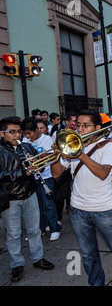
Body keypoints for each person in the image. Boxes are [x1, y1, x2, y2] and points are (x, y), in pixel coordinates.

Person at [50, 109, 112, 286]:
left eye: (85, 126)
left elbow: (103, 173)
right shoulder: (71, 145)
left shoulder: (108, 146)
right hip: (78, 209)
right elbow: (56, 173)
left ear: (97, 127)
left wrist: (79, 154)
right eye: (78, 125)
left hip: (104, 209)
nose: (80, 129)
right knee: (88, 255)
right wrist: (56, 156)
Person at [0, 116, 55, 283]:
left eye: (19, 132)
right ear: (2, 133)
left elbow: (42, 165)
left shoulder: (26, 147)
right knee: (14, 234)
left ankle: (37, 258)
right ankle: (17, 263)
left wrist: (38, 163)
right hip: (10, 198)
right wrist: (23, 173)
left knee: (34, 230)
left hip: (30, 194)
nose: (17, 135)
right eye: (12, 132)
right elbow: (2, 175)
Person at [21, 118, 61, 241]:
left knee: (48, 204)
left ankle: (55, 228)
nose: (28, 137)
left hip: (46, 176)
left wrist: (40, 156)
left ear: (37, 130)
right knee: (36, 206)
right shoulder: (24, 141)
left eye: (29, 133)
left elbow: (52, 156)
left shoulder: (46, 139)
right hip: (32, 178)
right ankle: (41, 228)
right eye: (25, 134)